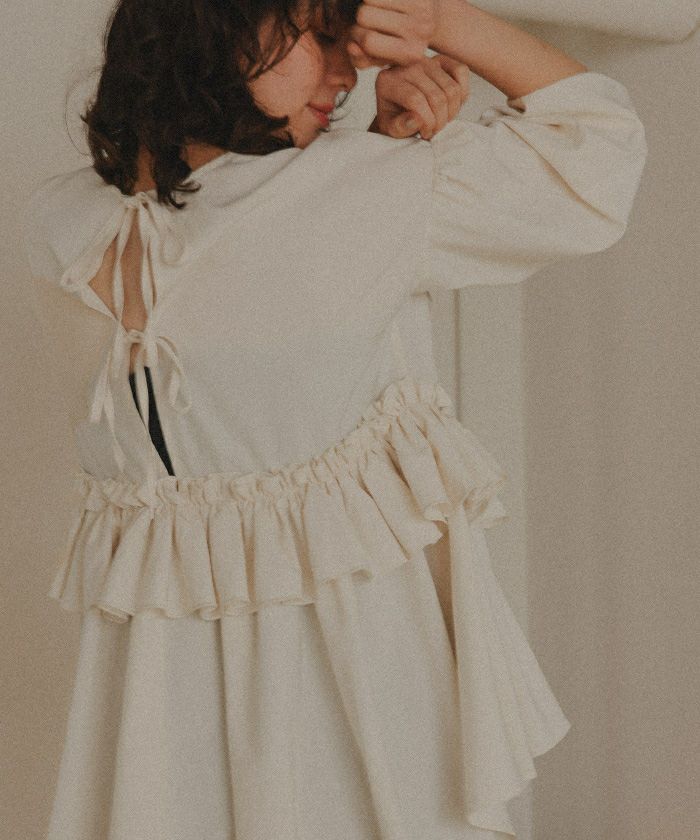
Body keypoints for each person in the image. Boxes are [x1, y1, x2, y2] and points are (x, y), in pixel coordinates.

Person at [21, 1, 647, 839]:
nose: (350, 69)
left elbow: (250, 306)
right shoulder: (365, 194)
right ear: (218, 24)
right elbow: (596, 145)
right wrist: (442, 20)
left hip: (160, 709)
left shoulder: (59, 220)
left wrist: (377, 152)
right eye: (321, 36)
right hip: (360, 689)